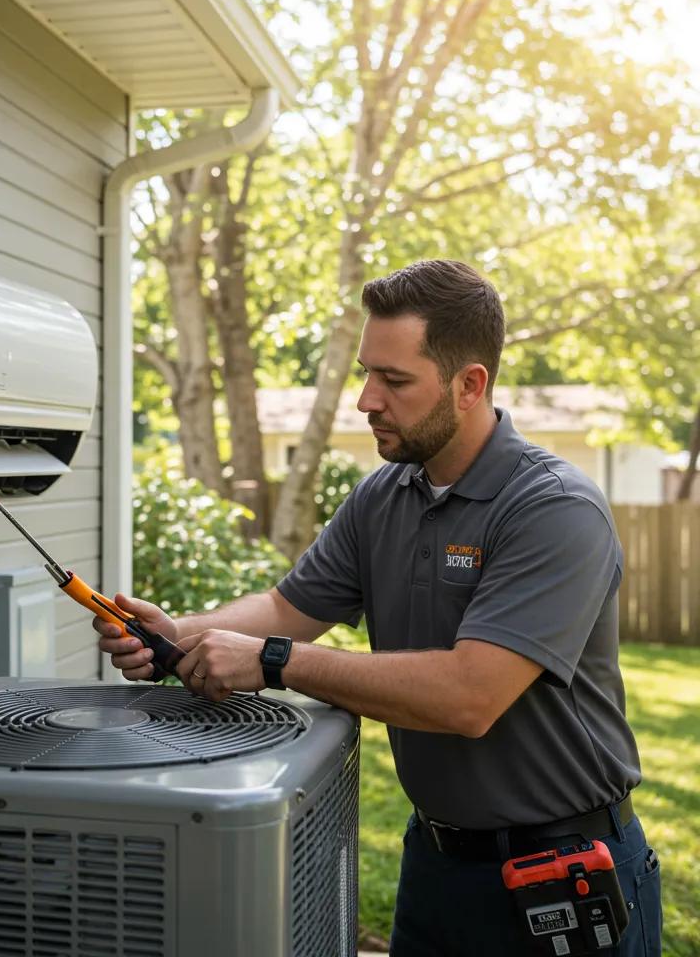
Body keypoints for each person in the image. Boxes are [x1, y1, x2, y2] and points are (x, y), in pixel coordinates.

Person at [95, 259, 662, 956]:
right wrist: (177, 633)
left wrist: (275, 663)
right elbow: (288, 606)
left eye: (394, 381)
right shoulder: (384, 495)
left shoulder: (554, 509)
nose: (366, 399)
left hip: (564, 873)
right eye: (368, 373)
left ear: (470, 384)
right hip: (436, 863)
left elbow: (469, 697)